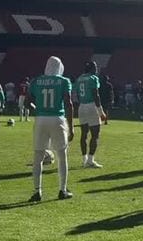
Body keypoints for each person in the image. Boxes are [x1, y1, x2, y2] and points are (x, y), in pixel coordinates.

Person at [27, 55, 74, 202]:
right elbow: (69, 104)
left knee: (38, 156)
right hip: (57, 118)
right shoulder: (63, 81)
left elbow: (28, 102)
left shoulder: (36, 81)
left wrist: (39, 110)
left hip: (41, 119)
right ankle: (62, 189)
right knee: (62, 155)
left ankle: (37, 191)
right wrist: (71, 127)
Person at [72, 60, 107, 168]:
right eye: (95, 67)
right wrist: (101, 111)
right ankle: (90, 160)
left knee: (84, 134)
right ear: (92, 68)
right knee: (95, 134)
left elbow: (77, 94)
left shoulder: (79, 79)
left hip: (82, 106)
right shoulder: (93, 78)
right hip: (92, 106)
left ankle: (84, 159)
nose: (96, 69)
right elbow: (96, 95)